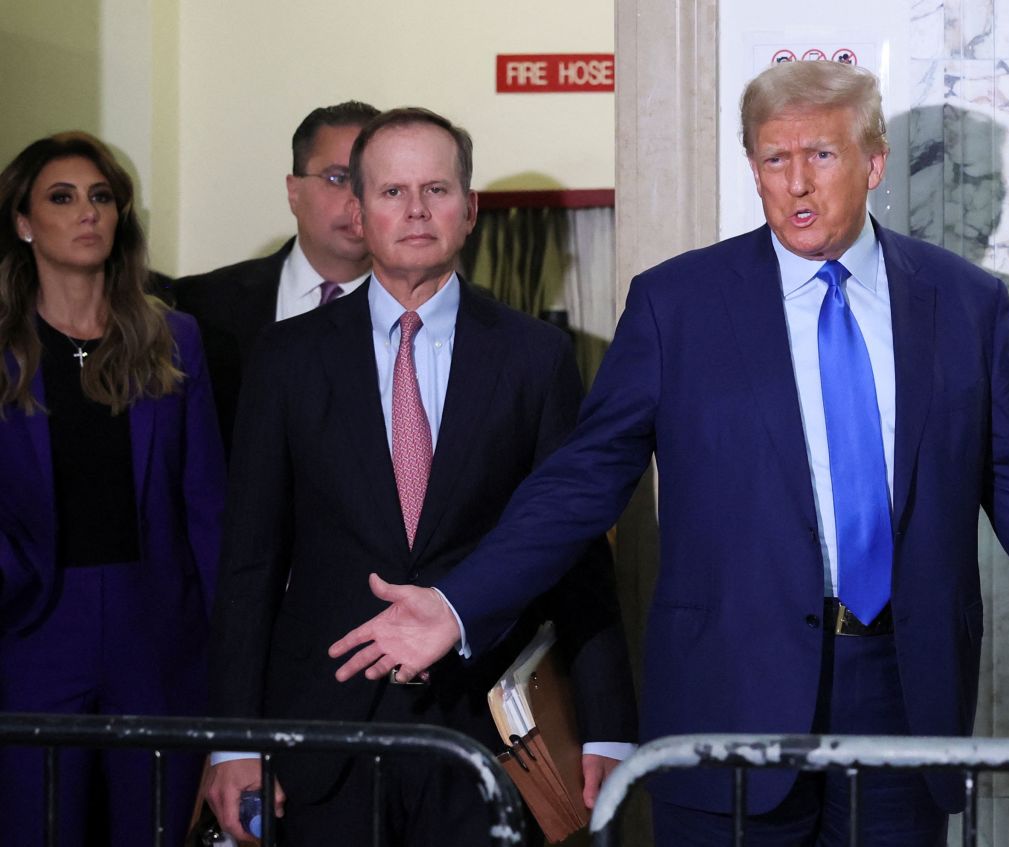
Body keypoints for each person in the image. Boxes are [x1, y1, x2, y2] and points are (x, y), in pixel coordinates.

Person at [329, 62, 1009, 845]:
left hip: (902, 704)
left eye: (822, 156)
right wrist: (458, 604)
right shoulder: (676, 305)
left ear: (874, 163)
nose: (796, 184)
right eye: (773, 159)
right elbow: (577, 483)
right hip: (726, 701)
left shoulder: (964, 307)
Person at [205, 107, 637, 845]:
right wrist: (234, 739)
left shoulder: (535, 357)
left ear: (469, 210)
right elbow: (250, 561)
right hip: (322, 731)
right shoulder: (284, 358)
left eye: (435, 190)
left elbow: (576, 552)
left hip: (487, 733)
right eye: (391, 191)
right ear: (360, 209)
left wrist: (608, 728)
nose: (414, 210)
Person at [0, 131, 225, 846]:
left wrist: (229, 649)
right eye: (62, 198)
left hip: (154, 623)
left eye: (101, 196)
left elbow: (206, 506)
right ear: (24, 222)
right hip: (30, 624)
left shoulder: (174, 338)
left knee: (155, 828)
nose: (87, 212)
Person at [170, 100, 379, 448]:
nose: (357, 199)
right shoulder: (202, 306)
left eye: (373, 181)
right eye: (337, 178)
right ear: (293, 192)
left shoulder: (428, 315)